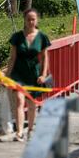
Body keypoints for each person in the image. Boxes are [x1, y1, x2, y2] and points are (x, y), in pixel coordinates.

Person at [6, 8, 51, 142]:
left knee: (32, 104)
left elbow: (45, 57)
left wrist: (43, 75)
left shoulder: (42, 37)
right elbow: (12, 57)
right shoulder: (17, 37)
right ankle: (19, 132)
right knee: (20, 100)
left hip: (33, 74)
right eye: (28, 19)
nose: (31, 22)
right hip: (18, 73)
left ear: (37, 20)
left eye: (33, 19)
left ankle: (30, 130)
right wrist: (7, 76)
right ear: (24, 21)